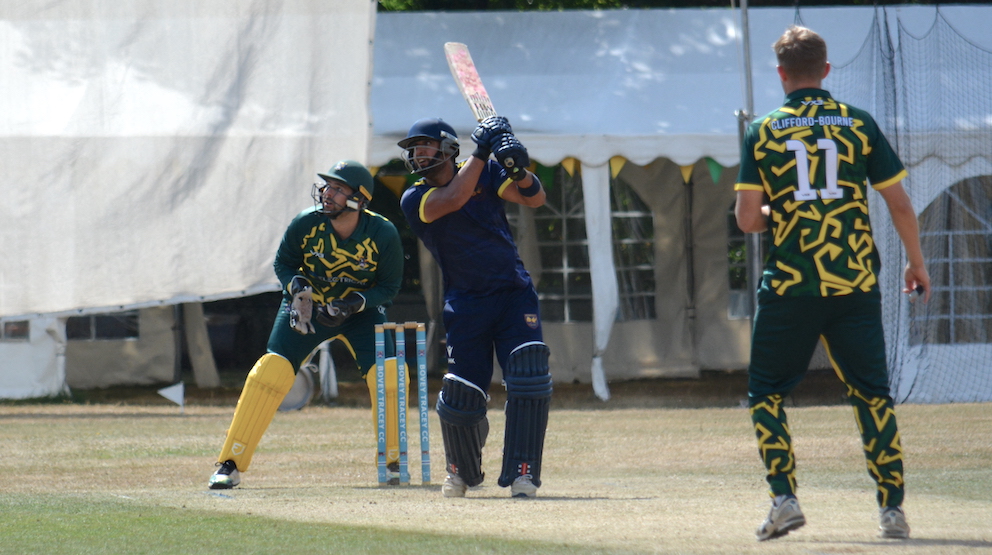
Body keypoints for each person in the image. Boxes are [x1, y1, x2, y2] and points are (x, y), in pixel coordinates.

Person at [735, 25, 931, 541]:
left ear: (781, 75)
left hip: (790, 285)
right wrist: (917, 263)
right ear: (826, 70)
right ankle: (892, 510)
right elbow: (901, 205)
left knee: (766, 393)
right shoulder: (858, 124)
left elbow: (747, 219)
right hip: (854, 282)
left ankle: (784, 498)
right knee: (873, 396)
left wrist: (783, 213)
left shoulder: (762, 130)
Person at [208, 160, 404, 489]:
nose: (328, 193)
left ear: (359, 199)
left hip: (359, 313)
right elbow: (283, 263)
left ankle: (394, 462)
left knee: (389, 373)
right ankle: (230, 463)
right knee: (270, 371)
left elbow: (390, 286)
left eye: (339, 189)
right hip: (307, 308)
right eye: (328, 186)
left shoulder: (382, 232)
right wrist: (298, 289)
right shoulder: (306, 223)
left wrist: (354, 303)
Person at [397, 117, 552, 498]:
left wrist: (516, 168)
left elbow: (535, 198)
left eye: (425, 145)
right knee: (462, 395)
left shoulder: (487, 173)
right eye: (413, 148)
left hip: (513, 293)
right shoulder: (414, 197)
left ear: (448, 147)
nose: (417, 154)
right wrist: (483, 149)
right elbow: (453, 199)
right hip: (466, 303)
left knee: (529, 376)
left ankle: (523, 473)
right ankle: (462, 472)